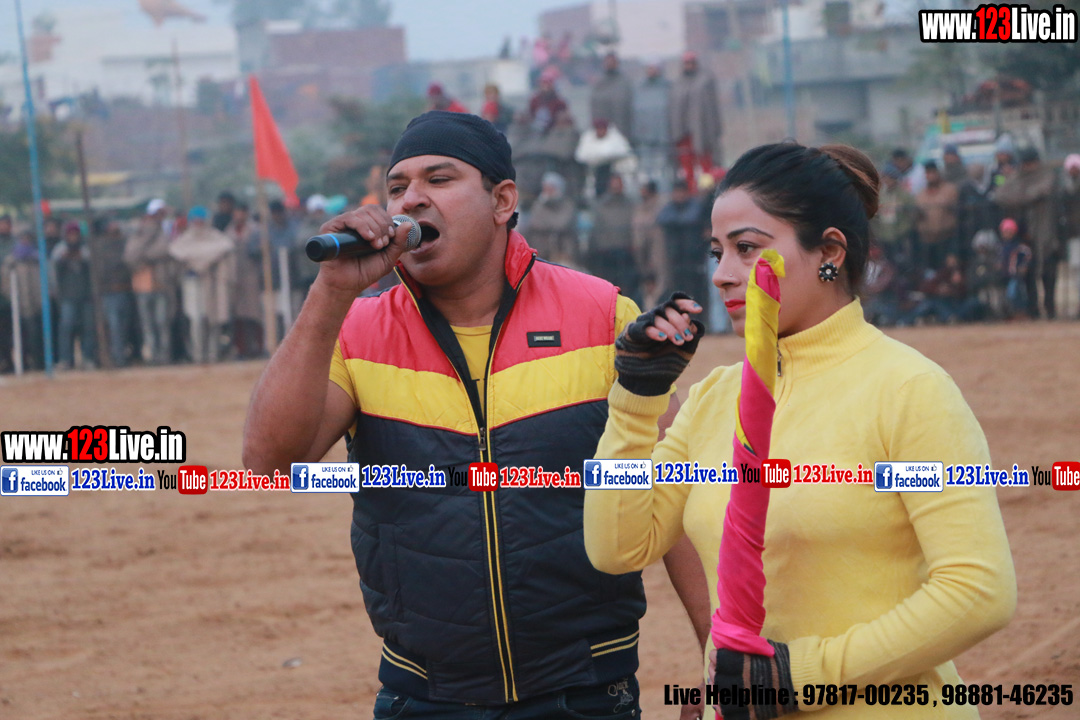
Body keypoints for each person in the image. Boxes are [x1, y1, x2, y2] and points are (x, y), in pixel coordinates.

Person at [243, 111, 707, 719]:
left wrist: (718, 659)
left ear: (502, 201)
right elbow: (268, 463)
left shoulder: (600, 314)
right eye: (397, 187)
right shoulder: (358, 331)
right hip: (423, 694)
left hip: (586, 688)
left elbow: (677, 495)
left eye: (439, 179)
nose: (412, 199)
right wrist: (331, 293)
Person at [583, 141, 1016, 719]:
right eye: (717, 252)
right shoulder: (713, 398)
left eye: (746, 249)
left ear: (829, 253)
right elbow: (616, 547)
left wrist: (800, 676)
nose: (722, 275)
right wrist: (635, 403)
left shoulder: (909, 390)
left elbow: (979, 590)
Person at [995, 147, 1060, 319]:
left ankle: (1050, 308)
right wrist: (1023, 192)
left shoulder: (1047, 175)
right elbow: (1000, 195)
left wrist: (1022, 195)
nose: (1027, 167)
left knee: (1049, 273)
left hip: (1046, 235)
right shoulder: (1017, 177)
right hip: (1025, 236)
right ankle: (1033, 310)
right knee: (1028, 275)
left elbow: (1041, 191)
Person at [170, 206, 234, 363]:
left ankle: (213, 354)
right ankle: (198, 354)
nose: (198, 223)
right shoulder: (185, 239)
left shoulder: (216, 237)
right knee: (196, 321)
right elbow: (177, 251)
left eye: (201, 220)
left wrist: (203, 260)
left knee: (214, 320)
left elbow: (225, 246)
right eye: (196, 220)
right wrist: (197, 263)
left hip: (213, 284)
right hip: (193, 284)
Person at [124, 198, 176, 364]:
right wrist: (148, 253)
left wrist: (146, 255)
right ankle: (153, 355)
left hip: (161, 284)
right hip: (142, 286)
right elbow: (130, 256)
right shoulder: (138, 233)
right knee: (148, 324)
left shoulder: (166, 231)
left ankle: (164, 355)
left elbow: (165, 249)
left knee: (162, 322)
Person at [670, 52, 721, 193]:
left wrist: (714, 130)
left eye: (691, 63)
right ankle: (691, 192)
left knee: (706, 165)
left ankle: (707, 192)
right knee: (687, 166)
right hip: (683, 134)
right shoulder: (677, 84)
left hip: (702, 131)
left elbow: (712, 107)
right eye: (686, 63)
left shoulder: (705, 81)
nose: (689, 66)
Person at [51, 221, 97, 370]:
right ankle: (66, 359)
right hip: (67, 297)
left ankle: (88, 358)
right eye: (70, 234)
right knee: (66, 327)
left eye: (75, 233)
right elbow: (54, 272)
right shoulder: (59, 250)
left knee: (88, 328)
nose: (73, 236)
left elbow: (92, 269)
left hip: (86, 296)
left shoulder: (86, 249)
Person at [588, 174, 639, 303]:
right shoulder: (601, 206)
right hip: (606, 252)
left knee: (626, 287)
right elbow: (596, 229)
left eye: (618, 184)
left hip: (626, 252)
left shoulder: (631, 205)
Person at [226, 202, 263, 359]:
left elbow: (263, 251)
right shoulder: (229, 231)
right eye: (236, 212)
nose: (238, 216)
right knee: (238, 315)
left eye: (241, 212)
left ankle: (258, 347)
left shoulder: (256, 230)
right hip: (235, 277)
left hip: (252, 276)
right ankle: (241, 349)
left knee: (255, 314)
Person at [522, 171, 577, 265]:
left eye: (551, 188)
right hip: (540, 252)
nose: (547, 191)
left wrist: (546, 224)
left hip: (561, 252)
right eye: (545, 188)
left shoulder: (568, 205)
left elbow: (562, 224)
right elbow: (535, 223)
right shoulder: (538, 205)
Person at [633, 63, 672, 192]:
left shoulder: (668, 88)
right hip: (644, 137)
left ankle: (663, 192)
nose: (652, 71)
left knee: (662, 168)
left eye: (655, 68)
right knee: (645, 169)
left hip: (663, 136)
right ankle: (647, 193)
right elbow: (635, 114)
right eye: (650, 68)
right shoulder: (639, 89)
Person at [914, 160, 959, 271]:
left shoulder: (949, 190)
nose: (930, 176)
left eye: (932, 172)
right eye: (927, 173)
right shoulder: (921, 194)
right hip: (927, 241)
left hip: (947, 238)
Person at [589, 51, 633, 142]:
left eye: (612, 62)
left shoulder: (625, 83)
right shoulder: (599, 84)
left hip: (621, 131)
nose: (609, 64)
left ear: (617, 63)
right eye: (607, 61)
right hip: (601, 132)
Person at [998, 217, 1032, 319]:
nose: (1007, 233)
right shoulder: (1000, 246)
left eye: (1009, 231)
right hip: (1004, 276)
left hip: (1015, 275)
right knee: (1006, 296)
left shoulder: (1018, 246)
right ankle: (1011, 314)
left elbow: (1027, 254)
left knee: (1014, 294)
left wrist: (1024, 266)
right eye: (1005, 231)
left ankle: (1020, 313)